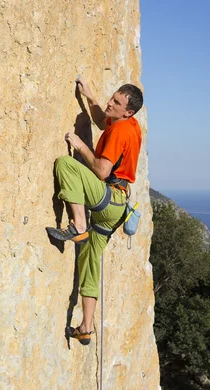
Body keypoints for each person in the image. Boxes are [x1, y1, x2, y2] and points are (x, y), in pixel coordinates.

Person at [47, 76, 143, 345]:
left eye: (116, 102)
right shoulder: (130, 124)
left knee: (66, 164)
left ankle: (78, 224)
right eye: (112, 98)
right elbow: (103, 121)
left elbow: (102, 170)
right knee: (90, 262)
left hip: (108, 197)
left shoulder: (123, 130)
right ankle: (86, 327)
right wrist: (89, 96)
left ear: (129, 111)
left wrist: (80, 147)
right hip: (116, 208)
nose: (110, 103)